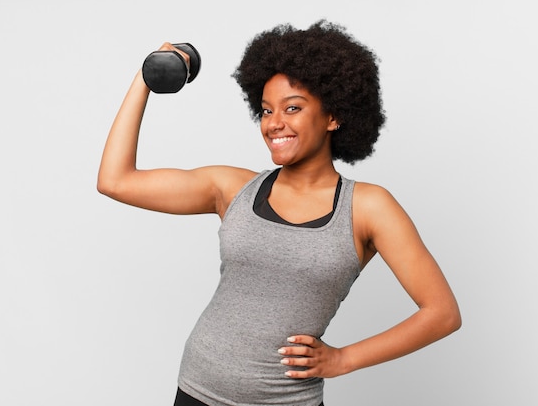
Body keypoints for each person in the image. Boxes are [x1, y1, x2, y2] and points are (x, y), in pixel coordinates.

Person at [97, 20, 461, 406]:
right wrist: (146, 75)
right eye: (267, 110)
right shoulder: (233, 188)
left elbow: (442, 313)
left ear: (333, 116)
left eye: (293, 108)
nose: (275, 123)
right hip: (196, 389)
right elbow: (115, 180)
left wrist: (344, 359)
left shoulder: (368, 207)